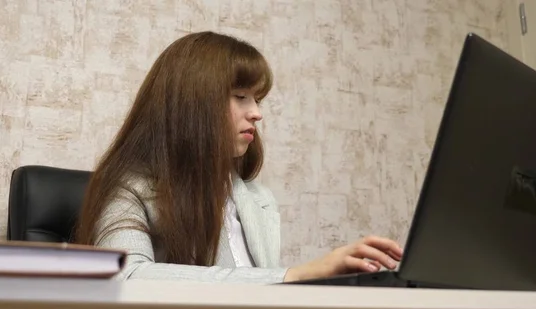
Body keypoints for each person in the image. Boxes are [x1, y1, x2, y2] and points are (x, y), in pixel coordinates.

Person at [73, 31, 403, 284]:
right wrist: (293, 276)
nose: (257, 113)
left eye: (257, 99)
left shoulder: (257, 199)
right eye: (241, 97)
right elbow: (126, 275)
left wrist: (335, 279)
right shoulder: (128, 189)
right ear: (192, 105)